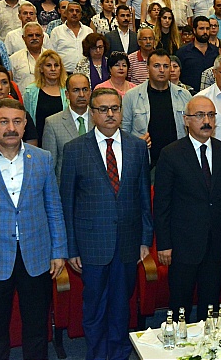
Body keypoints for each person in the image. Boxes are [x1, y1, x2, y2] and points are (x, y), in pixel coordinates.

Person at [0, 98, 67, 359]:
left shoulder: (42, 159)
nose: (11, 128)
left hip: (37, 257)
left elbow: (54, 208)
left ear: (25, 124)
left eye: (17, 121)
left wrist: (59, 250)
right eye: (3, 121)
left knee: (37, 330)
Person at [60, 87, 152, 359]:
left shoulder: (137, 147)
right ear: (92, 113)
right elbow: (67, 202)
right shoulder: (75, 149)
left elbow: (143, 196)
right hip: (91, 244)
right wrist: (71, 248)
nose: (110, 114)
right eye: (103, 109)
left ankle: (120, 353)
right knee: (95, 307)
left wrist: (145, 239)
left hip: (128, 242)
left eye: (115, 108)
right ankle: (98, 354)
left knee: (122, 305)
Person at [153, 95, 221, 321]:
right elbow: (162, 204)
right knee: (180, 304)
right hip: (183, 243)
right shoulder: (171, 154)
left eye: (211, 115)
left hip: (216, 241)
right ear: (186, 120)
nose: (206, 121)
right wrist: (164, 244)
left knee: (210, 303)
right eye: (200, 115)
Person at [122, 49, 191, 171]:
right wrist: (135, 143)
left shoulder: (184, 95)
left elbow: (193, 128)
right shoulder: (131, 96)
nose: (162, 70)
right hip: (145, 162)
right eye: (156, 66)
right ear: (147, 68)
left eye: (166, 66)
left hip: (178, 161)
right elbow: (124, 130)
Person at [42, 73, 93, 182]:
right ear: (67, 94)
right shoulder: (53, 123)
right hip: (66, 186)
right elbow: (50, 165)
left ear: (90, 92)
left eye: (85, 89)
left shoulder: (100, 120)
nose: (81, 94)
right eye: (76, 90)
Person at [23, 50, 69, 146]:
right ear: (41, 68)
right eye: (48, 65)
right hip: (39, 141)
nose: (53, 69)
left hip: (64, 141)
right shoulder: (30, 91)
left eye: (56, 65)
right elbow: (27, 122)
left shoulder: (68, 89)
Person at [177, 16, 220, 92]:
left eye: (207, 28)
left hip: (212, 94)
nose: (205, 32)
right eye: (201, 28)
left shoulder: (216, 51)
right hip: (190, 94)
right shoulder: (183, 52)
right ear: (194, 30)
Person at [51, 2, 94, 74]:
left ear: (81, 14)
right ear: (65, 13)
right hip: (64, 73)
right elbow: (52, 54)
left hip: (86, 73)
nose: (74, 13)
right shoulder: (56, 31)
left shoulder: (88, 31)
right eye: (71, 11)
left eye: (77, 11)